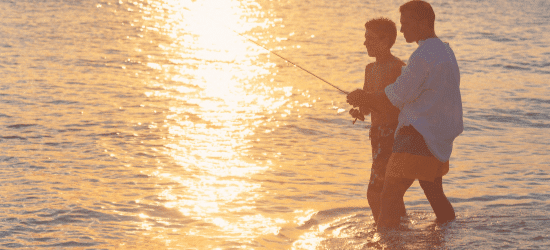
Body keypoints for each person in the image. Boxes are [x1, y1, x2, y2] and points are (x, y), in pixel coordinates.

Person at [347, 0, 463, 229]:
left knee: (386, 195)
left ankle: (385, 242)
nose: (401, 30)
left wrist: (364, 97)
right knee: (435, 195)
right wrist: (365, 102)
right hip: (436, 137)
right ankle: (449, 237)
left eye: (405, 23)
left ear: (422, 22)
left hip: (416, 136)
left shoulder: (422, 57)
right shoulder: (445, 51)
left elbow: (395, 96)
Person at [348, 17, 412, 225]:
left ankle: (384, 230)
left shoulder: (397, 68)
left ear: (385, 41)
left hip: (392, 136)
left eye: (369, 38)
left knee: (375, 192)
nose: (364, 43)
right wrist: (360, 109)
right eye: (365, 38)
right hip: (376, 136)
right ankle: (399, 230)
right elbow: (368, 105)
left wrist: (367, 100)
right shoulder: (369, 69)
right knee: (389, 191)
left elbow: (394, 104)